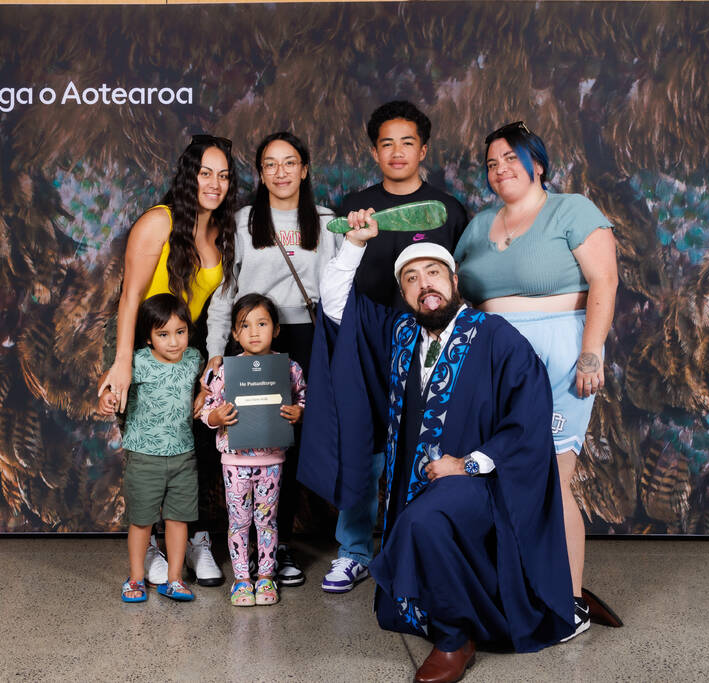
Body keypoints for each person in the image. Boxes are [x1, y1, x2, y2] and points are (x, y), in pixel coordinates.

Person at [300, 219, 575, 683]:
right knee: (419, 518)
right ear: (403, 293)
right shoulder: (400, 333)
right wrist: (354, 243)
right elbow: (336, 303)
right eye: (411, 278)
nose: (424, 285)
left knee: (424, 520)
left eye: (433, 273)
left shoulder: (494, 336)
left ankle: (454, 637)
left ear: (453, 280)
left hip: (485, 485)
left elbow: (528, 414)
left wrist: (468, 465)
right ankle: (456, 612)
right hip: (413, 483)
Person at [453, 121, 621, 638]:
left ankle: (568, 600)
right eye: (491, 163)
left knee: (550, 475)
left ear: (538, 164)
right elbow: (455, 287)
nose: (500, 168)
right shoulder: (479, 226)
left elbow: (605, 280)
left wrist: (590, 354)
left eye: (511, 158)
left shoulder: (571, 210)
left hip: (558, 353)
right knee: (497, 471)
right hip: (493, 358)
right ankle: (516, 589)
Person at [322, 100, 469, 594]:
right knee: (363, 442)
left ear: (423, 149)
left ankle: (417, 546)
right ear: (374, 152)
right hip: (366, 333)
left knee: (423, 439)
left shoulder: (448, 210)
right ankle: (354, 551)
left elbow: (460, 284)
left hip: (429, 335)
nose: (398, 151)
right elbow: (337, 278)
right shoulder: (355, 207)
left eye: (408, 142)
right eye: (387, 143)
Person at [98, 135, 237, 588]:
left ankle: (195, 539)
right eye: (205, 173)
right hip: (141, 343)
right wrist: (124, 362)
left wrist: (208, 361)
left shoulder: (222, 230)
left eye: (223, 175)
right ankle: (152, 545)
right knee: (148, 446)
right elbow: (130, 297)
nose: (214, 183)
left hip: (186, 347)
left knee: (195, 444)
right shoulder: (159, 222)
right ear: (188, 176)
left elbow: (216, 305)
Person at [204, 131, 338, 587]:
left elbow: (340, 288)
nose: (281, 172)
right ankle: (244, 546)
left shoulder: (326, 221)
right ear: (261, 173)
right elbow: (226, 291)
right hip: (251, 337)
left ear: (305, 168)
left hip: (305, 336)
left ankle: (278, 544)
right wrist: (216, 352)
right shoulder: (244, 221)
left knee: (291, 438)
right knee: (248, 437)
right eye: (270, 164)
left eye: (290, 162)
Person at [201, 294, 307, 607]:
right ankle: (242, 580)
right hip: (234, 461)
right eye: (245, 326)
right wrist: (216, 417)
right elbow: (207, 408)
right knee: (239, 521)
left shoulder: (289, 369)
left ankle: (265, 577)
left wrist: (299, 412)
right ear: (235, 333)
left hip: (271, 461)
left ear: (276, 329)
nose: (254, 332)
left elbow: (303, 399)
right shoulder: (224, 371)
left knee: (266, 521)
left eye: (262, 323)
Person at [99, 294, 202, 603]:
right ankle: (135, 578)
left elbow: (208, 383)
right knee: (142, 521)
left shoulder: (194, 359)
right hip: (144, 457)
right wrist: (106, 398)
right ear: (148, 337)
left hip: (183, 455)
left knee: (178, 519)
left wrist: (204, 395)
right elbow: (109, 386)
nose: (174, 341)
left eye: (180, 332)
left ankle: (174, 579)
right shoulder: (137, 362)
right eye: (163, 334)